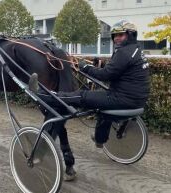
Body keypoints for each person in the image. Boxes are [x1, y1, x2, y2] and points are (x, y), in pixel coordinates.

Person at [29, 20, 150, 148]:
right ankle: (100, 139)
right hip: (137, 100)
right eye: (115, 36)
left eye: (121, 35)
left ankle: (44, 95)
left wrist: (85, 67)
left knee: (81, 96)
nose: (116, 39)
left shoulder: (124, 52)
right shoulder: (136, 50)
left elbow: (105, 75)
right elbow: (118, 70)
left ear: (130, 35)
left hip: (121, 99)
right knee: (102, 107)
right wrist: (100, 66)